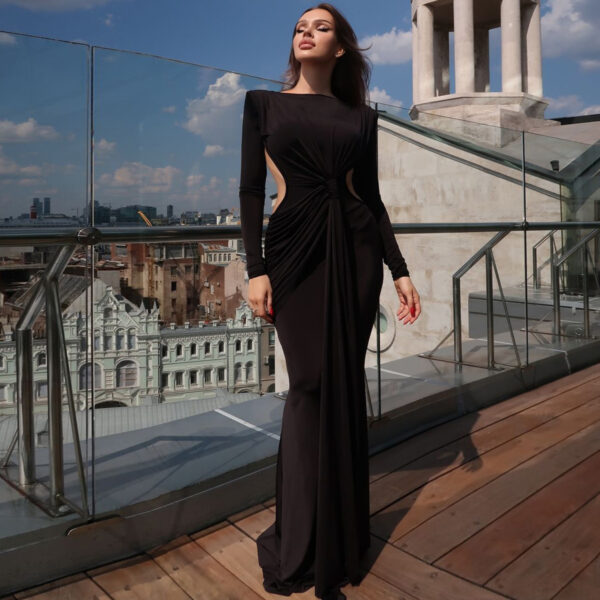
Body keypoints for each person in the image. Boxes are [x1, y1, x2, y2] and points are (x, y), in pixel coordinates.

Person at [239, 3, 422, 598]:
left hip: (356, 252)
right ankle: (299, 541)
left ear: (340, 47)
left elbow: (369, 195)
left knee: (340, 387)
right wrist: (255, 269)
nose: (306, 33)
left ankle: (339, 539)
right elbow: (248, 192)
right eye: (299, 27)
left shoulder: (360, 117)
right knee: (309, 384)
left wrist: (399, 270)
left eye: (320, 27)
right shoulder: (263, 105)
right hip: (292, 253)